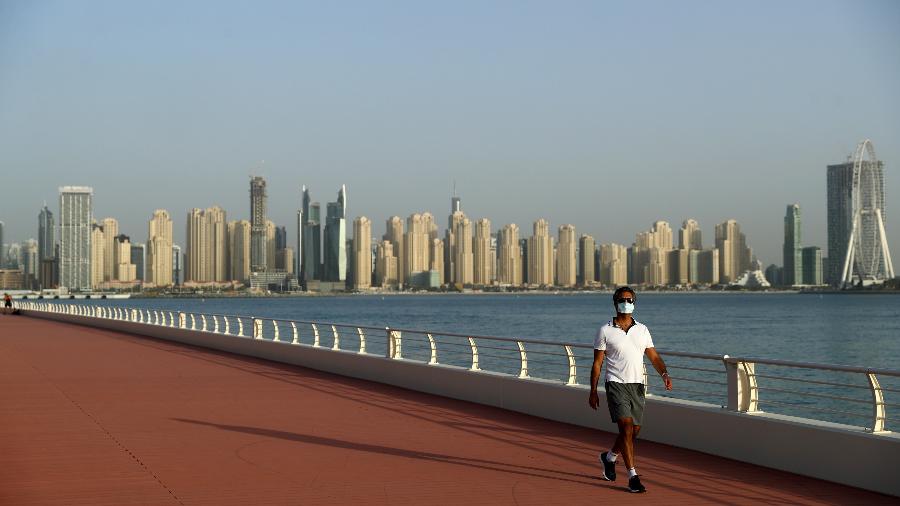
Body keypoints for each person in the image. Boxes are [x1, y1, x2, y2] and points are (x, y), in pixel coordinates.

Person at [589, 286, 672, 493]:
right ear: (615, 302)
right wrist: (592, 390)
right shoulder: (605, 330)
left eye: (630, 299)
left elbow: (653, 356)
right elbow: (597, 363)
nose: (626, 302)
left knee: (634, 431)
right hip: (615, 383)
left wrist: (664, 374)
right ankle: (633, 476)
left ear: (634, 303)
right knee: (625, 428)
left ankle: (609, 458)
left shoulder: (642, 329)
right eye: (622, 299)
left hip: (637, 385)